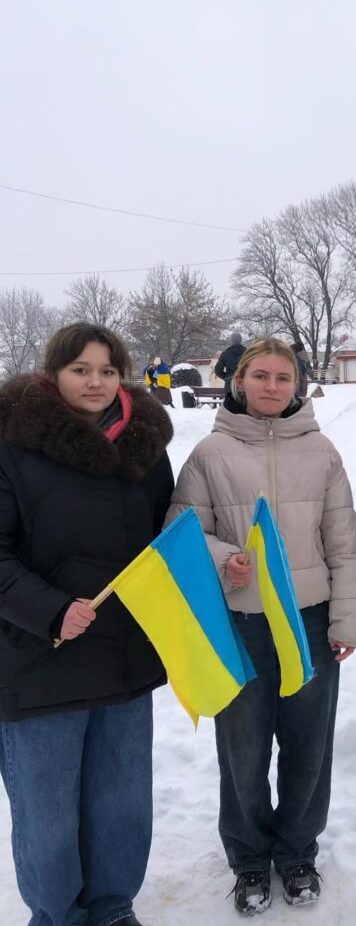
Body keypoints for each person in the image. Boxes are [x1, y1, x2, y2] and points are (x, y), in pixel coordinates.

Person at [166, 337, 356, 915]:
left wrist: (348, 620)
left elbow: (343, 542)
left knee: (309, 743)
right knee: (244, 746)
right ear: (239, 382)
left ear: (297, 384)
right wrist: (222, 559)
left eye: (284, 377)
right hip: (243, 623)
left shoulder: (322, 452)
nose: (272, 386)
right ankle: (250, 857)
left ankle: (298, 850)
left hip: (309, 621)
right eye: (261, 375)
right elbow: (182, 533)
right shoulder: (210, 454)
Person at [0, 322, 174, 926]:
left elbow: (166, 539)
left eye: (107, 370)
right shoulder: (13, 445)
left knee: (121, 803)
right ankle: (58, 916)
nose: (95, 382)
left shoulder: (144, 450)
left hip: (125, 657)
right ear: (54, 374)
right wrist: (49, 610)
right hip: (39, 659)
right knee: (47, 814)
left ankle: (113, 907)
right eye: (81, 370)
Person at [215, 331, 246, 396]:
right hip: (245, 384)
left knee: (230, 402)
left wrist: (227, 377)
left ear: (232, 341)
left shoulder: (225, 354)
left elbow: (217, 370)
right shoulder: (248, 353)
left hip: (229, 386)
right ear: (241, 340)